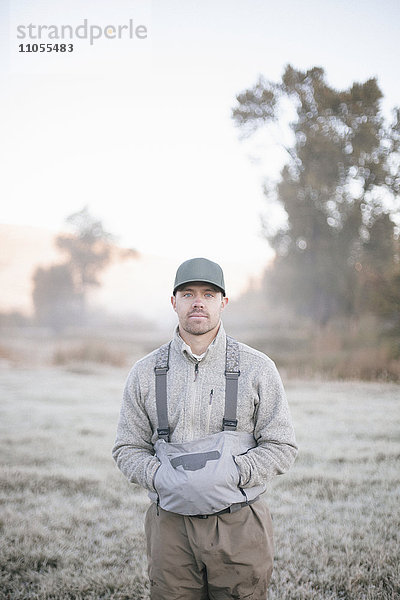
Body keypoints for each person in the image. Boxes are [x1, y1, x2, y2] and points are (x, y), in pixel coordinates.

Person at [112, 257, 298, 600]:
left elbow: (282, 446)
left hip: (239, 526)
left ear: (223, 303)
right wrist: (158, 476)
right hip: (170, 528)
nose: (198, 301)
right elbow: (126, 448)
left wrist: (233, 471)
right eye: (188, 293)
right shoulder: (144, 372)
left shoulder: (258, 368)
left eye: (209, 294)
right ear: (174, 302)